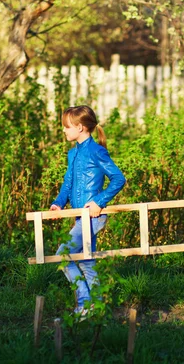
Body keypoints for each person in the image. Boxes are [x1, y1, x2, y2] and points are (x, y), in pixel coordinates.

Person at [50, 105, 126, 317]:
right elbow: (67, 184)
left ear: (81, 127)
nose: (64, 130)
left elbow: (118, 178)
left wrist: (98, 201)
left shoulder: (97, 151)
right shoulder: (72, 154)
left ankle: (85, 303)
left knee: (63, 256)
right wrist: (58, 203)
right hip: (78, 216)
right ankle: (98, 307)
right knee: (85, 260)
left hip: (92, 216)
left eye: (67, 127)